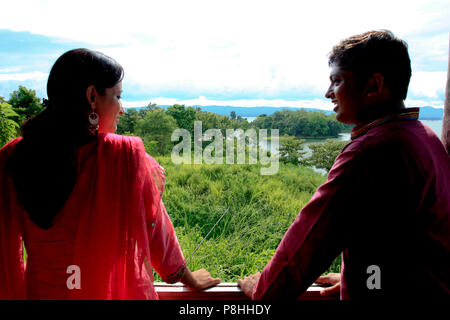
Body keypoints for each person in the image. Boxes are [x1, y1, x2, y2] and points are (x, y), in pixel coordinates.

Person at [238, 30, 450, 299]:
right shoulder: (422, 137)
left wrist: (262, 291)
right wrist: (366, 275)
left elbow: (307, 242)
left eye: (337, 81)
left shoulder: (370, 151)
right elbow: (406, 240)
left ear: (373, 85)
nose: (328, 93)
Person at [0, 48, 220, 299]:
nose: (122, 109)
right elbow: (155, 227)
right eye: (117, 96)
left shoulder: (13, 156)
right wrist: (187, 277)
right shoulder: (123, 156)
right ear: (92, 97)